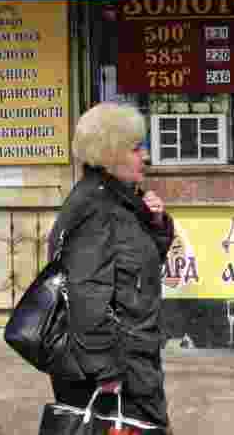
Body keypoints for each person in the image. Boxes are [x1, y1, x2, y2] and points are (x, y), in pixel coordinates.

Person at [46, 102, 175, 430]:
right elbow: (86, 293)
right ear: (109, 153)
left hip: (135, 360)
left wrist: (156, 223)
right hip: (118, 368)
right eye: (136, 148)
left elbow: (138, 267)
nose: (144, 156)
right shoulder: (95, 208)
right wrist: (106, 372)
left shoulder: (120, 200)